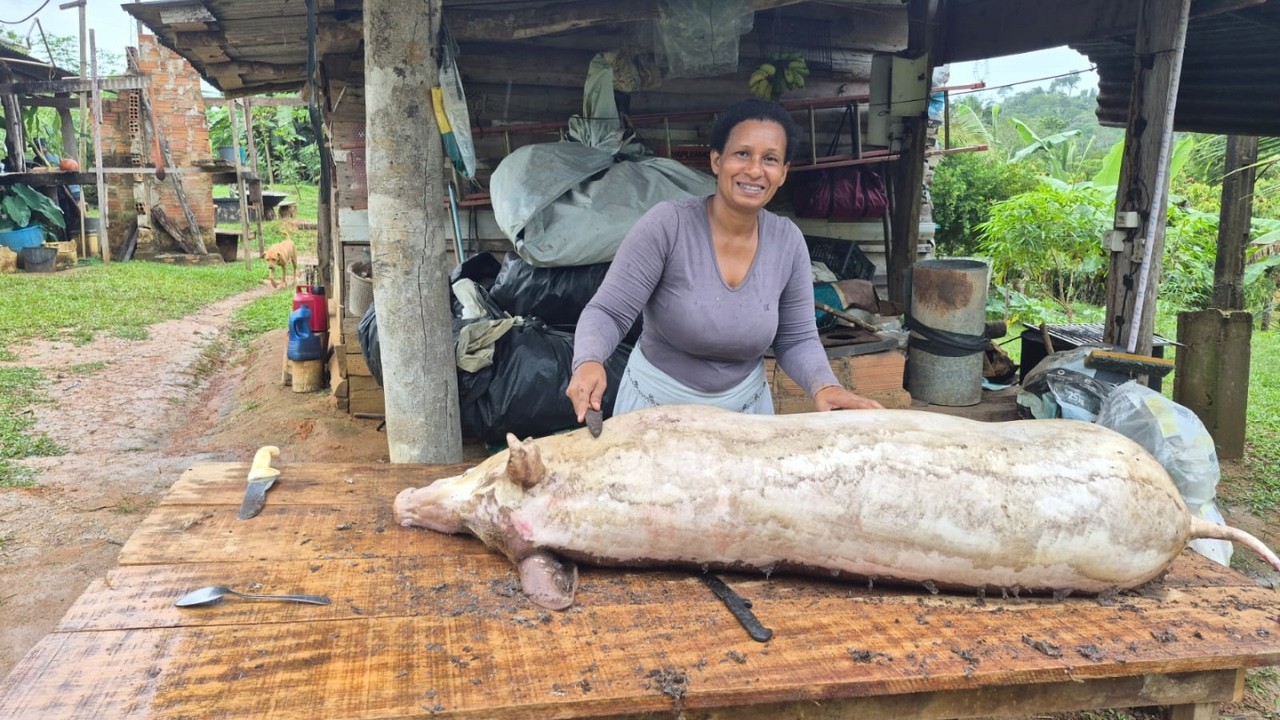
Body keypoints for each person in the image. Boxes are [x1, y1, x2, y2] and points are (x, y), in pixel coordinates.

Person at [567, 97, 883, 422]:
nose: (755, 169)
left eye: (770, 158)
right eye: (742, 153)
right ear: (717, 160)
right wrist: (589, 361)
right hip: (655, 410)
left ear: (784, 172)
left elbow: (797, 338)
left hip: (746, 415)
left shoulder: (787, 242)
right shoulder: (668, 226)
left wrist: (824, 386)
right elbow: (609, 311)